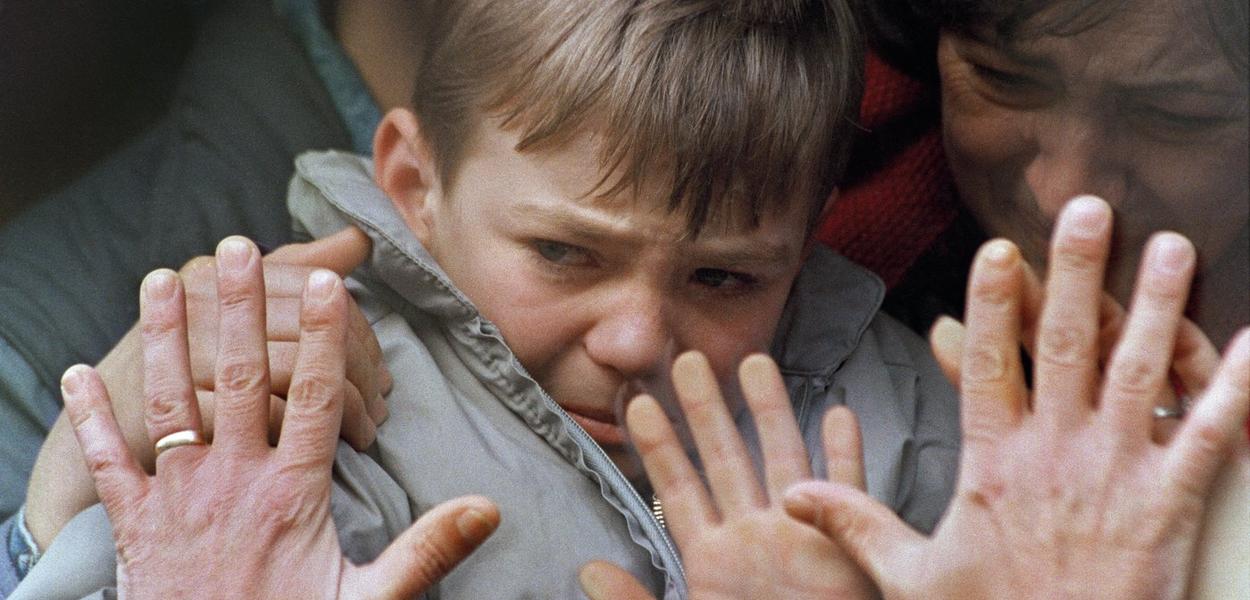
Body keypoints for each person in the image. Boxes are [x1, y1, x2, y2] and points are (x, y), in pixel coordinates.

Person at [6, 1, 962, 597]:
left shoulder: (907, 411)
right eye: (563, 253)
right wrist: (56, 522)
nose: (635, 338)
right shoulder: (311, 415)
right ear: (414, 185)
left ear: (811, 230)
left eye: (726, 277)